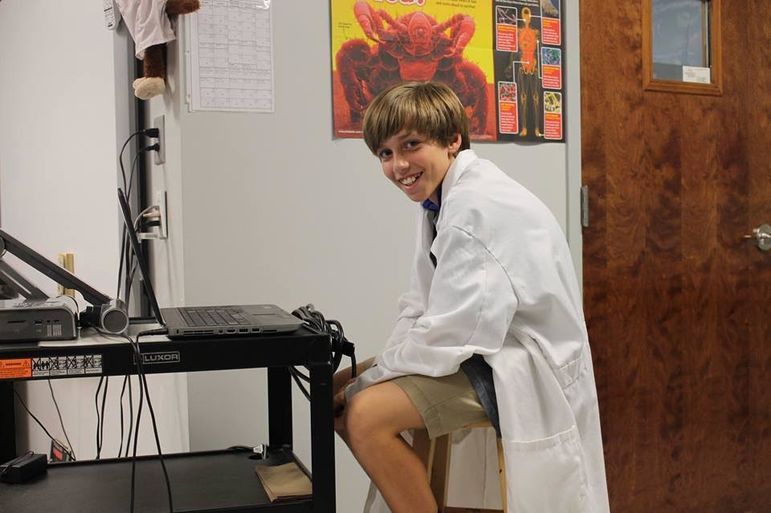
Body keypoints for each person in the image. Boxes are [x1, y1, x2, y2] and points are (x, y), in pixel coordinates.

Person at [334, 81, 609, 513]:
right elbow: (419, 304)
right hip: (482, 347)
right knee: (340, 388)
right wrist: (376, 370)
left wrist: (373, 381)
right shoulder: (442, 201)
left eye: (411, 144)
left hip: (518, 365)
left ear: (452, 140)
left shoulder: (473, 210)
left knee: (365, 415)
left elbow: (452, 332)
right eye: (385, 153)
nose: (398, 165)